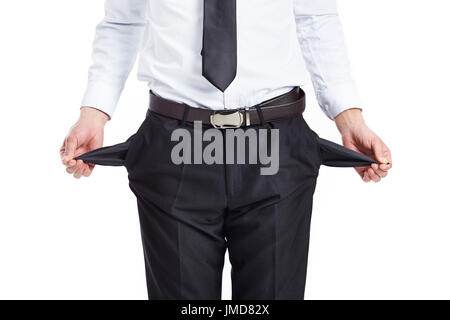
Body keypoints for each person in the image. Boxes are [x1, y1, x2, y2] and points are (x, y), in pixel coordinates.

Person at [60, 0, 392, 300]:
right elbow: (123, 21)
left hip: (274, 143)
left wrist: (349, 117)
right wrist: (94, 112)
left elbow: (315, 17)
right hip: (176, 143)